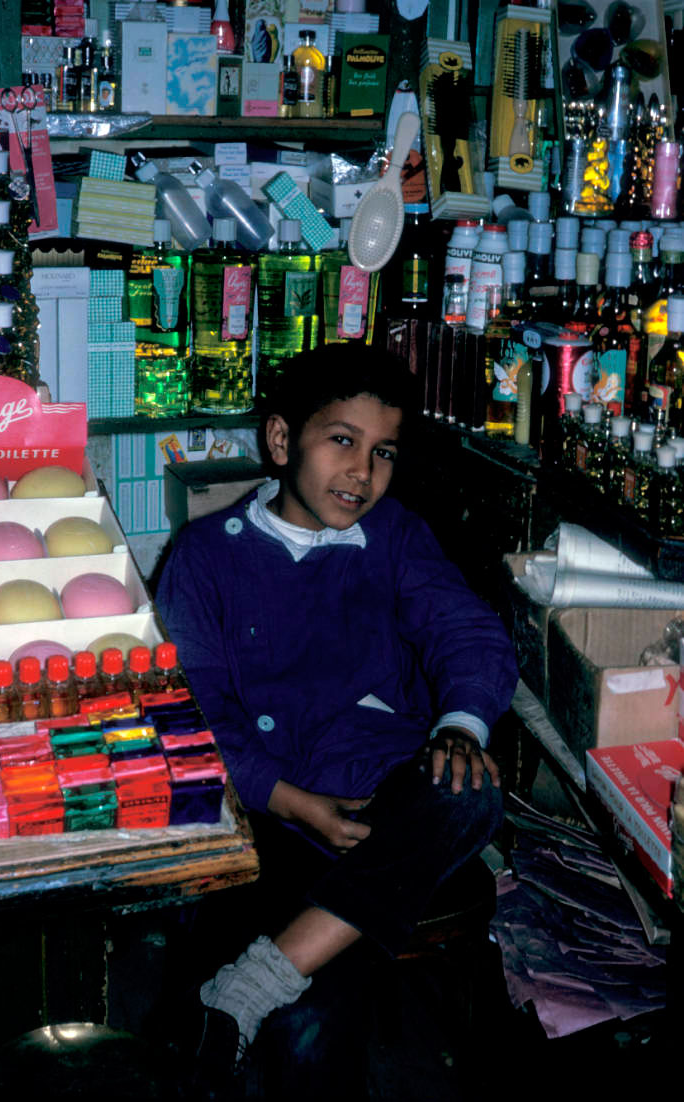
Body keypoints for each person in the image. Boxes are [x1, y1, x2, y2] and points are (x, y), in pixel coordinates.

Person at [156, 344, 518, 1069]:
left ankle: (251, 985)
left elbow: (468, 631)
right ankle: (270, 984)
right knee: (307, 1033)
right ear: (283, 440)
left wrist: (459, 726)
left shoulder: (393, 536)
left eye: (383, 451)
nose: (363, 472)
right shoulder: (204, 557)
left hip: (388, 800)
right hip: (273, 814)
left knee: (470, 790)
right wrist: (293, 803)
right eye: (343, 442)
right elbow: (199, 717)